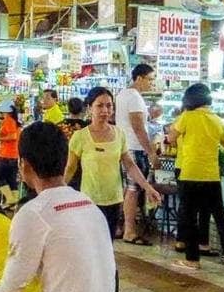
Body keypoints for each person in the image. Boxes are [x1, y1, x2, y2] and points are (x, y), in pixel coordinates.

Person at [0, 122, 116, 292]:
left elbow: (10, 287)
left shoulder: (33, 214)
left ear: (24, 165)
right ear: (65, 162)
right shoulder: (90, 206)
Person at [66, 86, 162, 242]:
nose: (105, 110)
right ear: (90, 108)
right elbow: (70, 168)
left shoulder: (119, 134)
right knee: (89, 244)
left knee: (107, 244)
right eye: (99, 105)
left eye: (109, 105)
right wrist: (57, 193)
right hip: (88, 201)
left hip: (114, 201)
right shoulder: (80, 137)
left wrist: (147, 187)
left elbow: (130, 165)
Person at [165, 83, 224, 271]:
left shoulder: (187, 117)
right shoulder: (217, 120)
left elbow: (171, 138)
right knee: (219, 215)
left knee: (190, 216)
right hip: (212, 175)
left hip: (190, 173)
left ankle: (192, 259)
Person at [115, 63, 160, 242]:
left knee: (127, 189)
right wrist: (151, 152)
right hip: (134, 147)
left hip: (128, 146)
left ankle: (121, 227)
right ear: (139, 78)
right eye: (150, 79)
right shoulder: (134, 97)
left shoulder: (124, 95)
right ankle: (129, 231)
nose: (151, 83)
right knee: (133, 190)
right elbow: (138, 127)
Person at [0, 98, 21, 207]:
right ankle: (15, 203)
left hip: (7, 154)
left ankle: (10, 199)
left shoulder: (8, 120)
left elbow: (13, 136)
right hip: (14, 155)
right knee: (11, 179)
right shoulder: (14, 121)